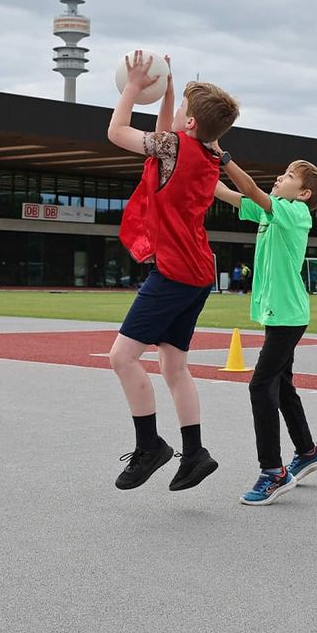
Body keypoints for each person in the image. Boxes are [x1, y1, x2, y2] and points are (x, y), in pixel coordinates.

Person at [106, 51, 239, 492]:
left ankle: (150, 446)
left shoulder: (176, 147)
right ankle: (195, 452)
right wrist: (167, 91)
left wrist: (132, 86)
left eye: (182, 107)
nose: (176, 112)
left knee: (122, 358)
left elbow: (117, 132)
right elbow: (167, 133)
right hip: (198, 271)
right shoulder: (203, 155)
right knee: (174, 365)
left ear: (192, 125)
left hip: (176, 272)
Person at [214, 158, 317, 505]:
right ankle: (308, 451)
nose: (279, 177)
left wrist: (224, 158)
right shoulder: (271, 212)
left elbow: (249, 188)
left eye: (288, 176)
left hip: (288, 316)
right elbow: (230, 194)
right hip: (280, 314)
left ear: (304, 193)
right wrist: (196, 161)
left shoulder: (296, 213)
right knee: (280, 386)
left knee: (260, 385)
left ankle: (273, 472)